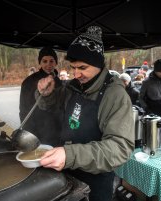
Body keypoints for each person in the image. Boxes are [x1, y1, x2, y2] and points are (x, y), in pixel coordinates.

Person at [36, 26, 134, 201]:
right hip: (66, 173)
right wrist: (46, 94)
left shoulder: (115, 95)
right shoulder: (73, 86)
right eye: (73, 67)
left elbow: (120, 148)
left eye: (82, 67)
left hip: (95, 182)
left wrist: (70, 154)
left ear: (99, 64)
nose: (76, 74)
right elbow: (50, 106)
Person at [19, 46, 62, 146]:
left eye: (51, 61)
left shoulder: (58, 81)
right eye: (45, 61)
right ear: (40, 62)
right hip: (37, 130)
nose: (48, 64)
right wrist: (28, 133)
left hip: (56, 130)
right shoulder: (29, 82)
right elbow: (24, 109)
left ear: (56, 62)